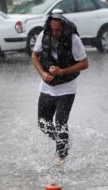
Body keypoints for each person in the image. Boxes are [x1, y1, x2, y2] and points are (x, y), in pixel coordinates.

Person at [31, 9, 89, 165]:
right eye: (53, 29)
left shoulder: (73, 39)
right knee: (43, 124)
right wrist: (42, 74)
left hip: (67, 88)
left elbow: (84, 64)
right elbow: (34, 56)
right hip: (46, 86)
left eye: (58, 30)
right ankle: (64, 141)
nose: (55, 33)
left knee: (61, 123)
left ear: (63, 27)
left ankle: (61, 158)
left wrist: (62, 71)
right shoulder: (44, 35)